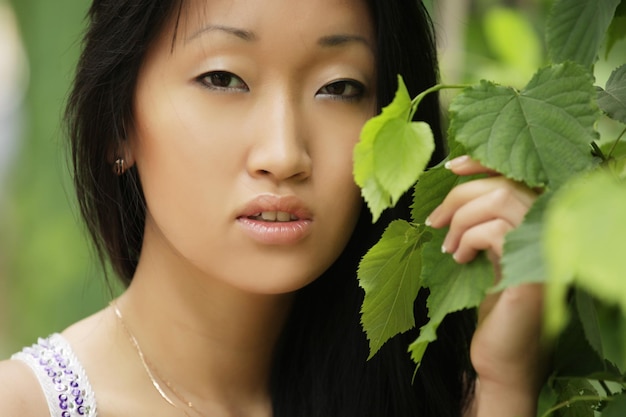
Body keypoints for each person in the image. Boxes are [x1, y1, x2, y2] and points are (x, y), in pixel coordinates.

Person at [0, 0, 545, 416]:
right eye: (223, 79)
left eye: (339, 87)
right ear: (119, 124)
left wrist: (504, 382)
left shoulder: (428, 393)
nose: (284, 155)